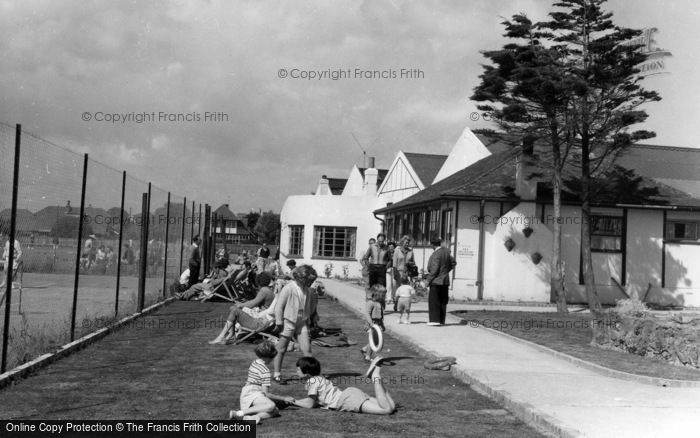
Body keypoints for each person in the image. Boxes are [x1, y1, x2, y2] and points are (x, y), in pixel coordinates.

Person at [283, 356, 395, 415]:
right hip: (350, 393)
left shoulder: (312, 382)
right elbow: (313, 400)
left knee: (386, 410)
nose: (296, 371)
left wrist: (293, 402)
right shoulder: (319, 378)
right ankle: (375, 377)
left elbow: (310, 404)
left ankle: (375, 376)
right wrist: (295, 400)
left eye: (298, 369)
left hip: (346, 400)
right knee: (391, 406)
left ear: (306, 371)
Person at [271, 264, 318, 383]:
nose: (312, 283)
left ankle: (310, 375)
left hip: (302, 323)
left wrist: (312, 318)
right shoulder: (288, 288)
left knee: (307, 349)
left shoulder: (309, 291)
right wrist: (279, 321)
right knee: (281, 349)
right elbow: (279, 306)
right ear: (302, 278)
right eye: (310, 280)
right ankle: (277, 374)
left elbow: (312, 307)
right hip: (289, 322)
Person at [209, 271, 277, 345]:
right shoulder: (268, 290)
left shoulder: (264, 291)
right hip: (266, 322)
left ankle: (222, 336)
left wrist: (240, 305)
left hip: (262, 323)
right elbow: (254, 302)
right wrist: (241, 304)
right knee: (233, 308)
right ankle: (231, 333)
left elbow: (252, 304)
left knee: (234, 310)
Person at [229, 340, 287, 424]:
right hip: (254, 393)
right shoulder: (265, 371)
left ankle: (249, 418)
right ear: (270, 357)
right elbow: (266, 393)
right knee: (271, 406)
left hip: (246, 393)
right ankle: (239, 413)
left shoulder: (254, 362)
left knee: (276, 411)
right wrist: (283, 398)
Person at [426, 237, 456, 326]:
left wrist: (427, 281)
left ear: (432, 244)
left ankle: (434, 320)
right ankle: (442, 320)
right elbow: (453, 263)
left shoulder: (436, 254)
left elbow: (434, 269)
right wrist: (445, 271)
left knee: (434, 300)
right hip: (445, 280)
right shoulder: (447, 252)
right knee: (443, 301)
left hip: (436, 280)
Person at [360, 284, 386, 362]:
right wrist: (370, 323)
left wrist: (382, 324)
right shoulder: (370, 302)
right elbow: (367, 313)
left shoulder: (380, 303)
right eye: (383, 294)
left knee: (377, 341)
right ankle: (367, 356)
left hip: (378, 323)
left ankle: (364, 349)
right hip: (372, 323)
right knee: (374, 341)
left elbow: (380, 315)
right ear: (376, 294)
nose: (384, 296)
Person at [392, 235, 416, 311]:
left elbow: (413, 262)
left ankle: (404, 306)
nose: (407, 244)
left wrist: (410, 263)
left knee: (406, 291)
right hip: (398, 272)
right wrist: (395, 273)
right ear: (402, 242)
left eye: (408, 242)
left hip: (407, 273)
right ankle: (396, 304)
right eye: (406, 242)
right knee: (398, 290)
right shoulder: (397, 250)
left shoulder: (411, 251)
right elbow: (394, 263)